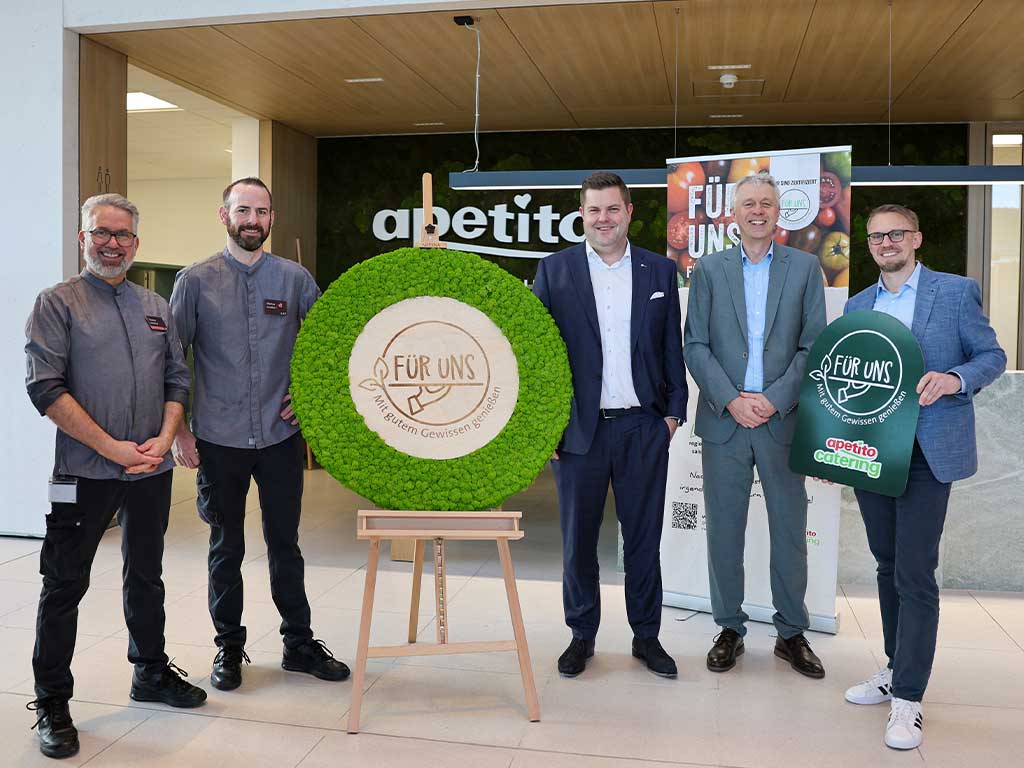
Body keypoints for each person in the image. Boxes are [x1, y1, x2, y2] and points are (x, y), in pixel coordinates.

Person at [24, 194, 206, 759]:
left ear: (136, 243)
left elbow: (179, 378)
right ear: (84, 238)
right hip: (82, 471)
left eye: (123, 235)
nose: (112, 243)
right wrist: (113, 450)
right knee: (64, 585)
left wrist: (164, 435)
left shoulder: (154, 304)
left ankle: (149, 670)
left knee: (147, 574)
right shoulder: (57, 303)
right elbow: (45, 389)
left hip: (149, 468)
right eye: (101, 233)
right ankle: (52, 701)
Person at [169, 177, 348, 692]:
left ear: (271, 218)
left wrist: (310, 397)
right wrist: (179, 430)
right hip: (217, 440)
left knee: (285, 544)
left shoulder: (295, 280)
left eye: (262, 211)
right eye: (243, 210)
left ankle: (298, 643)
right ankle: (228, 647)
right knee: (226, 547)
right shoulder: (194, 281)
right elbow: (171, 361)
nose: (253, 220)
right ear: (224, 216)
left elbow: (328, 348)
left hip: (279, 437)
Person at [842, 204, 1005, 750]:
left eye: (895, 234)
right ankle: (893, 668)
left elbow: (991, 355)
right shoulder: (858, 304)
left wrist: (955, 378)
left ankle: (909, 697)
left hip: (929, 452)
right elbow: (846, 380)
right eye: (875, 236)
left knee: (914, 571)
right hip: (873, 453)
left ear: (916, 238)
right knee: (887, 564)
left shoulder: (955, 292)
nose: (885, 242)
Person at [533, 171, 687, 678]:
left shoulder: (659, 272)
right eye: (594, 210)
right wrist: (544, 425)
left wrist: (671, 414)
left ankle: (647, 637)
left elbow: (671, 348)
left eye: (612, 209)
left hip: (643, 428)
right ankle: (582, 635)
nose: (603, 218)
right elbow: (538, 356)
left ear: (629, 213)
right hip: (579, 432)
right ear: (582, 215)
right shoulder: (554, 271)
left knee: (644, 539)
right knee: (578, 540)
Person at [683, 172, 827, 679]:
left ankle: (791, 632)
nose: (758, 210)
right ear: (735, 212)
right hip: (725, 420)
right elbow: (694, 344)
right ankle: (729, 628)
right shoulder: (709, 269)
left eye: (767, 202)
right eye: (749, 203)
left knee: (790, 530)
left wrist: (772, 399)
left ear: (778, 211)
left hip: (781, 420)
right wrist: (730, 399)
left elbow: (814, 345)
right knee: (725, 530)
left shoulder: (807, 268)